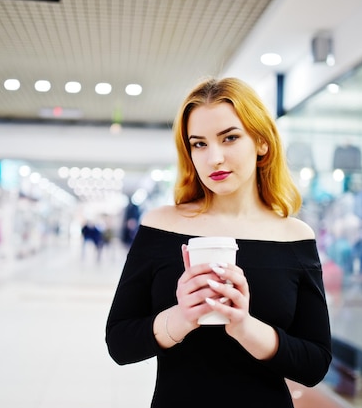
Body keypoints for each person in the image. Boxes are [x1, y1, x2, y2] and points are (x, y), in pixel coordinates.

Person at [105, 77, 332, 407]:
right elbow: (120, 343)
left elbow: (315, 364)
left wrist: (244, 327)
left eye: (230, 138)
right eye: (199, 144)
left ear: (261, 142)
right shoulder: (161, 225)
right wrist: (183, 317)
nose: (214, 158)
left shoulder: (293, 237)